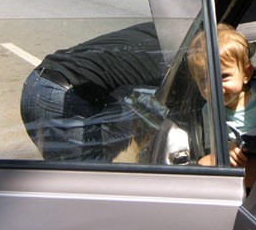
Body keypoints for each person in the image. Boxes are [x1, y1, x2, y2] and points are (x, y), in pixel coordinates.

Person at [20, 21, 167, 161]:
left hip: (39, 82)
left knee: (87, 170)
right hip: (63, 96)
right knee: (88, 175)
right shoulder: (174, 55)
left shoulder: (162, 31)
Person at [188, 23, 256, 189]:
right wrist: (225, 150)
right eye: (204, 80)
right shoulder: (210, 111)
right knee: (204, 162)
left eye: (223, 76)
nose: (214, 87)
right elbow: (213, 149)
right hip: (243, 174)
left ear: (246, 73)